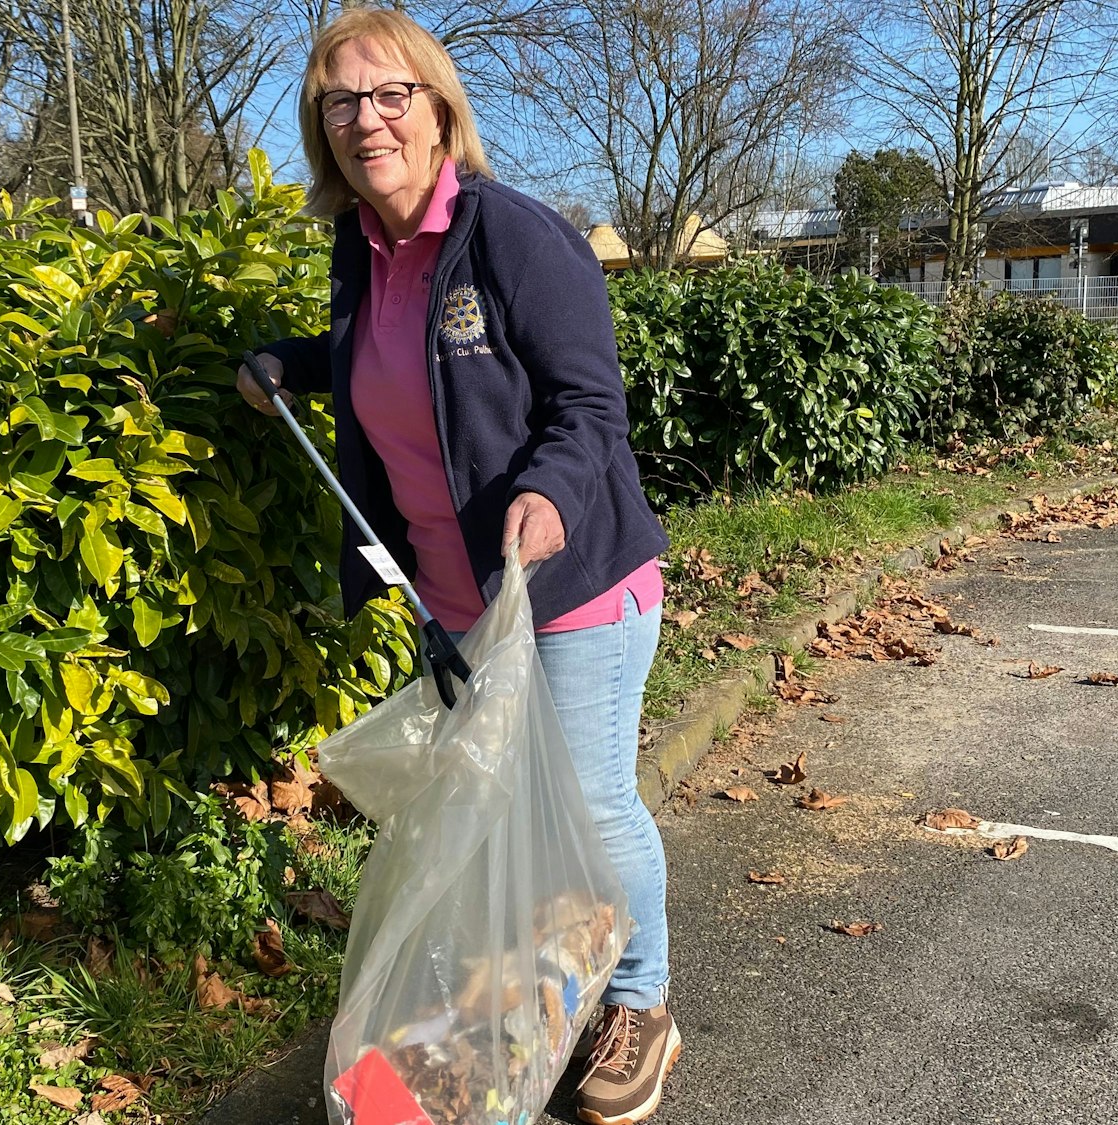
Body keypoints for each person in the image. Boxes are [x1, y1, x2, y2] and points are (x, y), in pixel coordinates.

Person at [235, 9, 678, 1123]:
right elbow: (383, 365)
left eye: (390, 96)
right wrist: (288, 363)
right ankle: (518, 1001)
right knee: (501, 816)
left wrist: (546, 493)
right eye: (340, 101)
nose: (364, 119)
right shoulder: (362, 248)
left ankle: (639, 1000)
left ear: (438, 113)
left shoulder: (511, 237)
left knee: (585, 803)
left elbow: (588, 403)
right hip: (457, 603)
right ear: (318, 125)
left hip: (570, 589)